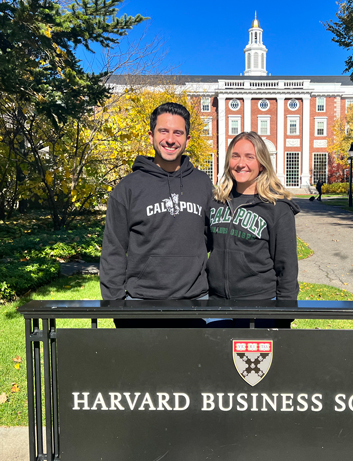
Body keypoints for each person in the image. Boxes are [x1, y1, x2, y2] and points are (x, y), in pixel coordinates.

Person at [99, 102, 213, 327]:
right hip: (141, 303)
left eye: (178, 133)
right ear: (151, 135)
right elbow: (113, 249)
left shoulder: (203, 184)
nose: (170, 139)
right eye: (164, 131)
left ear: (187, 139)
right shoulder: (128, 188)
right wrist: (116, 306)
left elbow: (212, 238)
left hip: (197, 302)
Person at [207, 132, 300, 326]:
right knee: (215, 356)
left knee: (251, 358)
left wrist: (285, 313)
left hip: (260, 306)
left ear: (262, 163)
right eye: (235, 156)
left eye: (250, 157)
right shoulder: (216, 202)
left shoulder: (278, 208)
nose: (241, 163)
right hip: (216, 305)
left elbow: (287, 267)